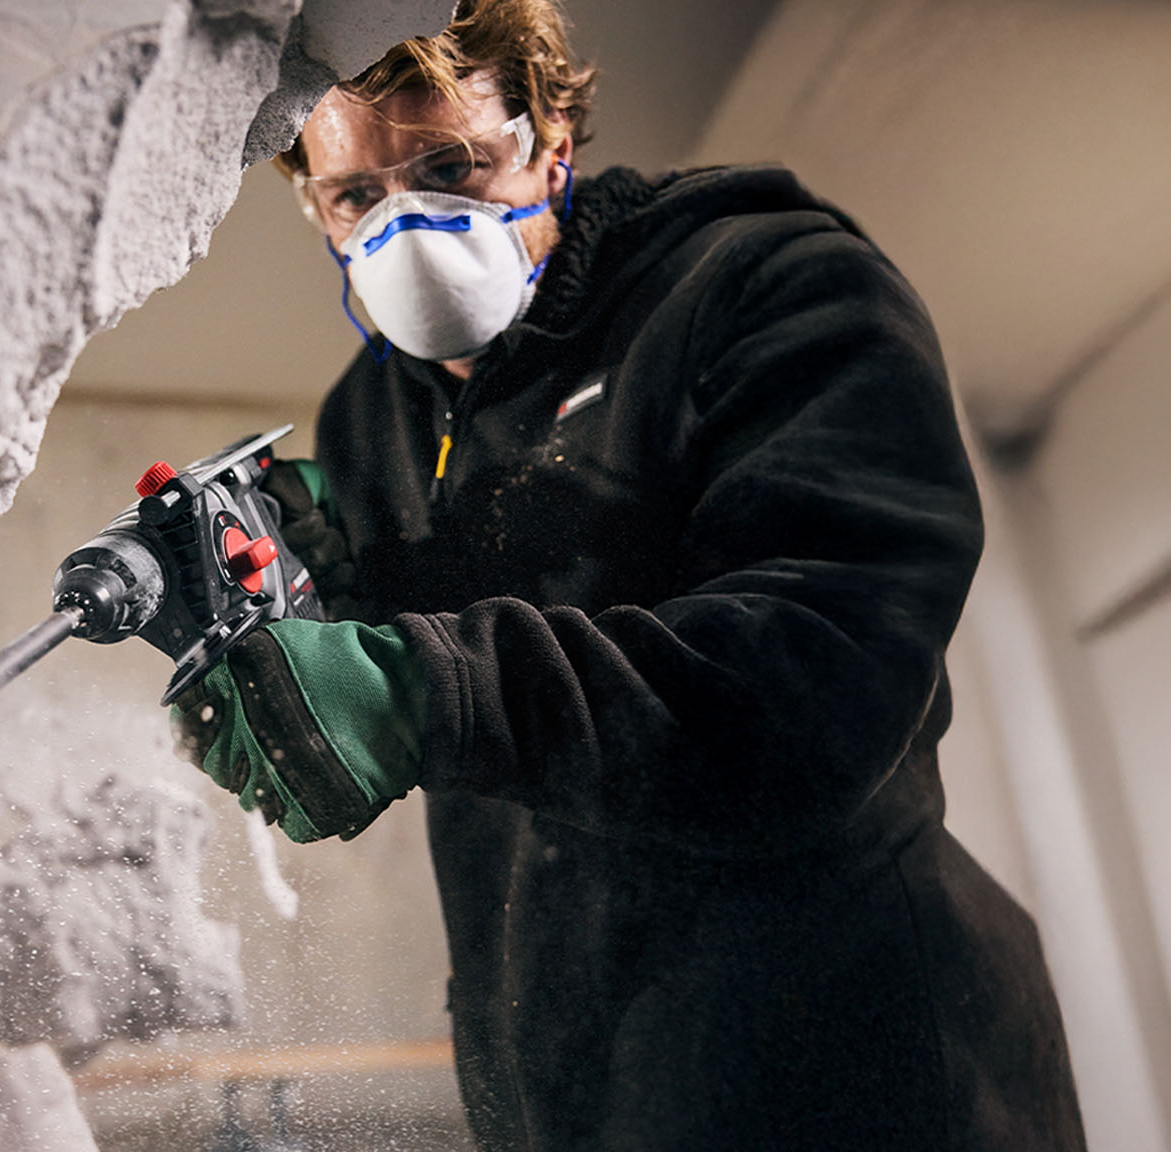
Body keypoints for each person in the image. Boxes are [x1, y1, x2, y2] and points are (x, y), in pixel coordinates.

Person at [169, 0, 1086, 1147]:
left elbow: (818, 683)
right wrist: (326, 604)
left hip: (847, 1066)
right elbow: (487, 677)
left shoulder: (769, 285)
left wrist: (424, 689)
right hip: (573, 1075)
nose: (406, 226)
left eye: (453, 167)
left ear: (552, 137)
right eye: (358, 194)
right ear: (312, 201)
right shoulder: (372, 416)